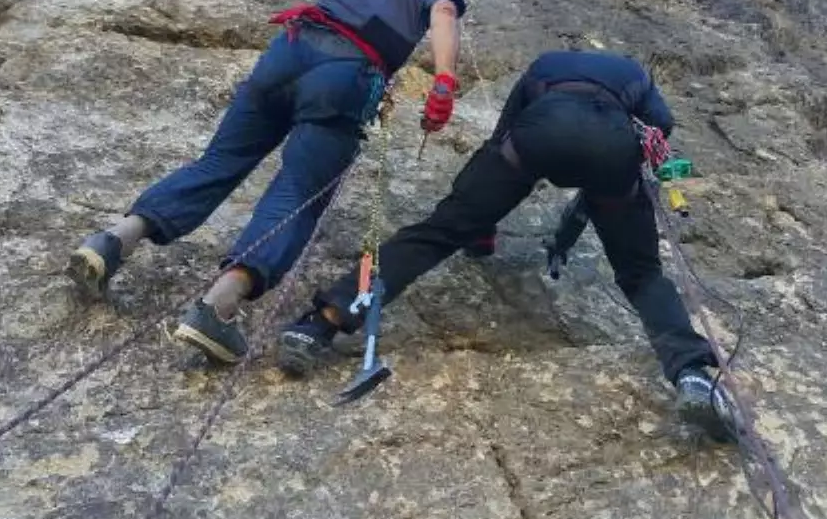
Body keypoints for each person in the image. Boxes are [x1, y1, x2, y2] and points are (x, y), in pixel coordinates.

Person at [65, 0, 474, 366]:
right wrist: (445, 82)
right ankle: (219, 305)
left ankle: (113, 240)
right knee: (298, 190)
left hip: (287, 54)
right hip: (344, 77)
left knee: (219, 161)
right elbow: (444, 14)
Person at [278, 49, 736, 442]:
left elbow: (501, 139)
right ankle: (692, 377)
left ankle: (322, 321)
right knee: (642, 274)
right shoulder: (634, 74)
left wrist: (478, 228)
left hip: (537, 132)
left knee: (436, 232)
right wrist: (611, 189)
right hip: (612, 147)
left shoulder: (544, 66)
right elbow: (661, 127)